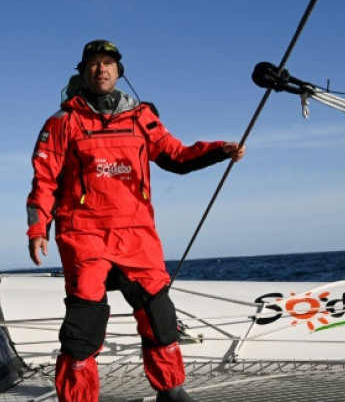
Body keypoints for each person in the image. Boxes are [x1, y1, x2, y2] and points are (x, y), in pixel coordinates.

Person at [26, 39, 245, 402]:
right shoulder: (62, 122)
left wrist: (219, 150)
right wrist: (38, 230)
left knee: (159, 318)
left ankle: (171, 390)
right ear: (82, 72)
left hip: (137, 236)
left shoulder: (142, 117)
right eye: (94, 63)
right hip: (84, 235)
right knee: (84, 327)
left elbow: (177, 155)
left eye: (108, 63)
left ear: (119, 72)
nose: (101, 69)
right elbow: (44, 179)